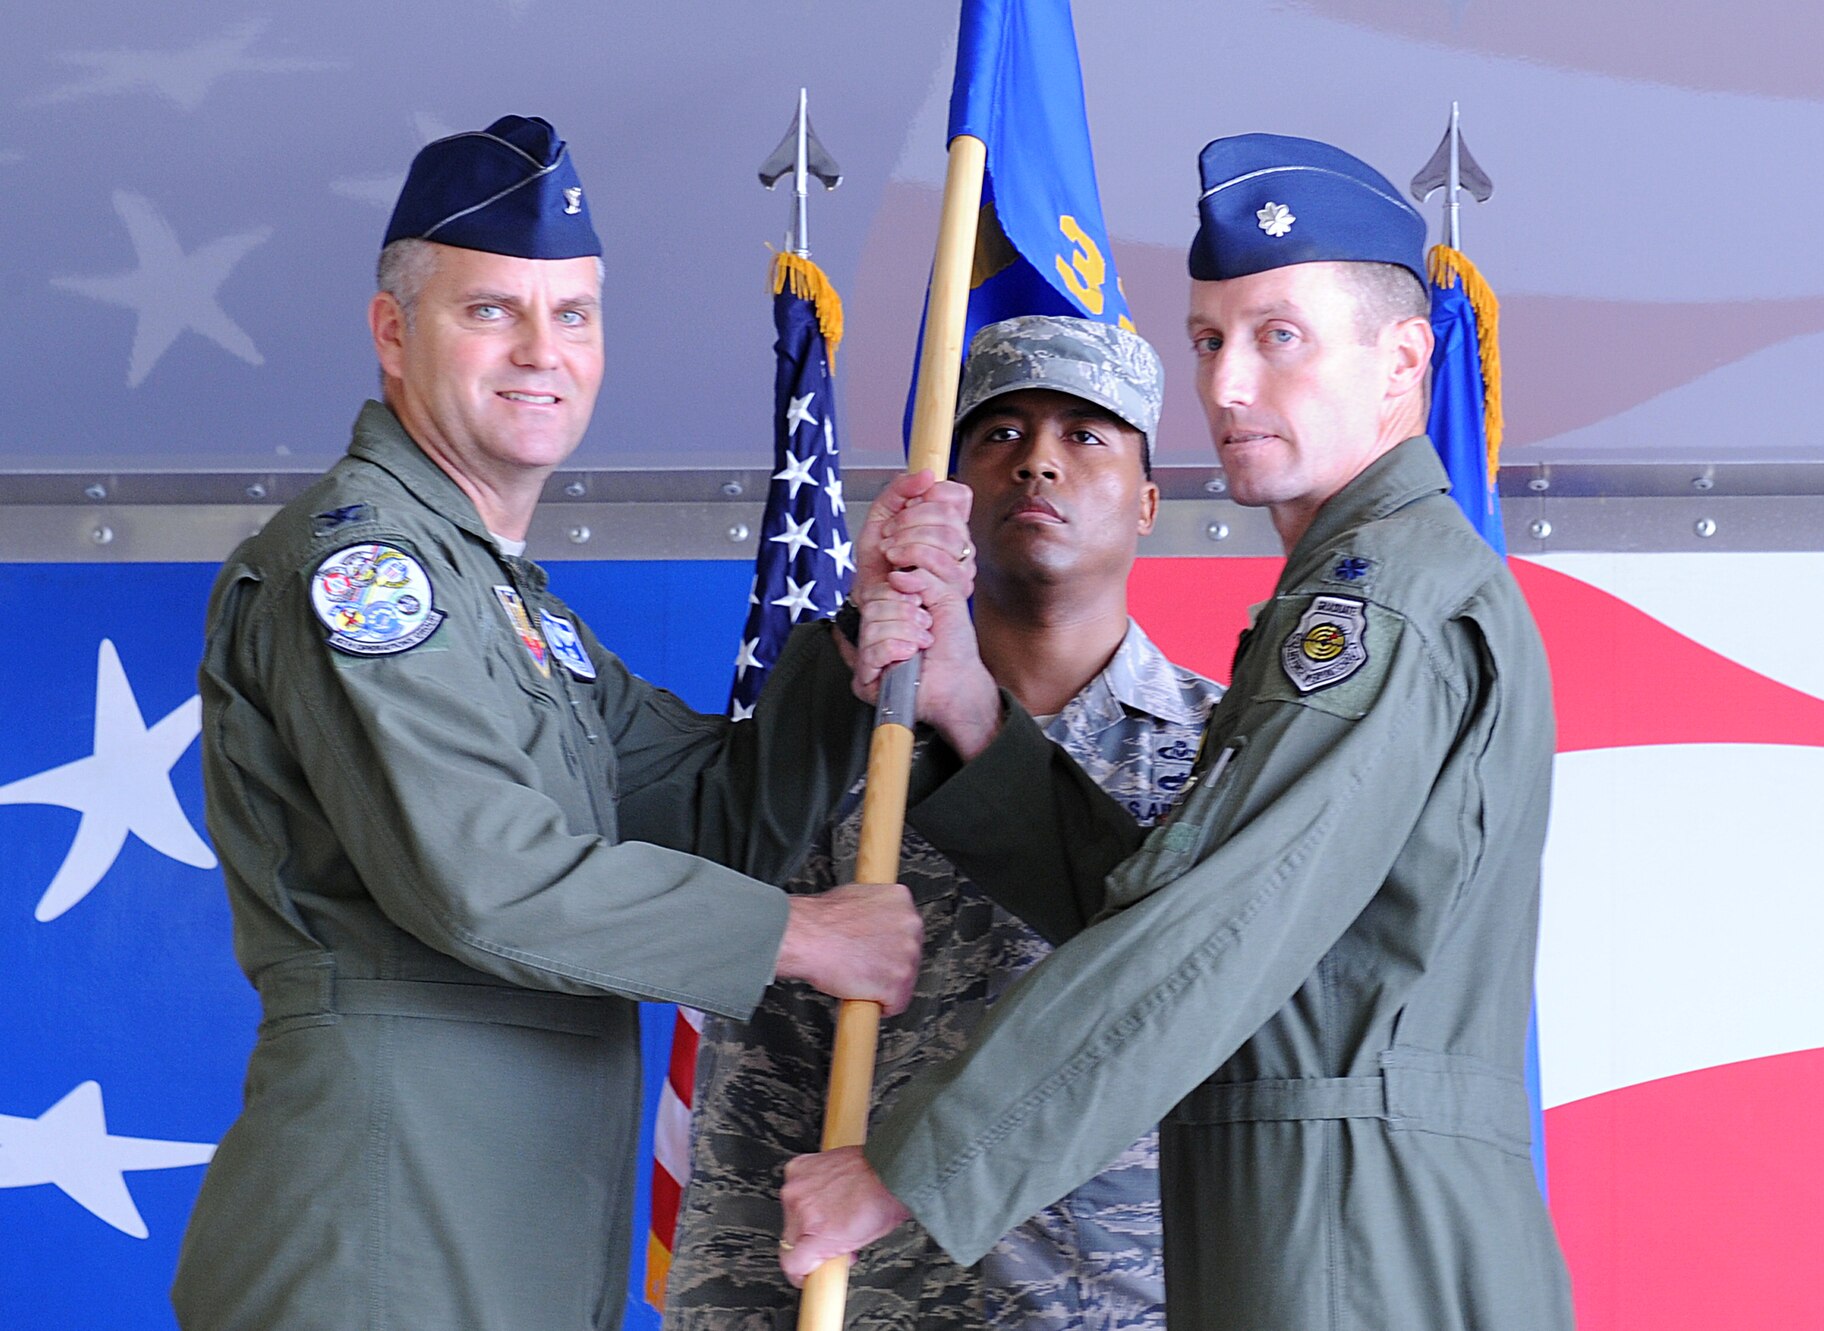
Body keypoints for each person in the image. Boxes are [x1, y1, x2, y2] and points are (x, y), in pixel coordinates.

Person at [777, 133, 1577, 1329]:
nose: (1228, 386)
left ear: (1402, 360)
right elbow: (1195, 902)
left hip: (1356, 1230)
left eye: (1279, 336)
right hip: (1311, 1205)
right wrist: (973, 716)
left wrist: (909, 1168)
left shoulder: (1376, 603)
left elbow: (1218, 926)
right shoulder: (1353, 587)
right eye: (1209, 340)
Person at [172, 115, 932, 1331]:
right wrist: (799, 935)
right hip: (384, 1233)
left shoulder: (507, 602)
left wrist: (851, 648)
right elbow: (483, 879)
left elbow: (714, 813)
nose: (542, 351)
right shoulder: (365, 574)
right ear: (392, 333)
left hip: (510, 1224)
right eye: (490, 311)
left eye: (571, 313)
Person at [664, 316, 1220, 1329]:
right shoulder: (850, 758)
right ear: (948, 494)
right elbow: (760, 1098)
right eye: (998, 434)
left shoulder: (1227, 754)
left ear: (1148, 502)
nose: (1037, 462)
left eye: (1085, 434)